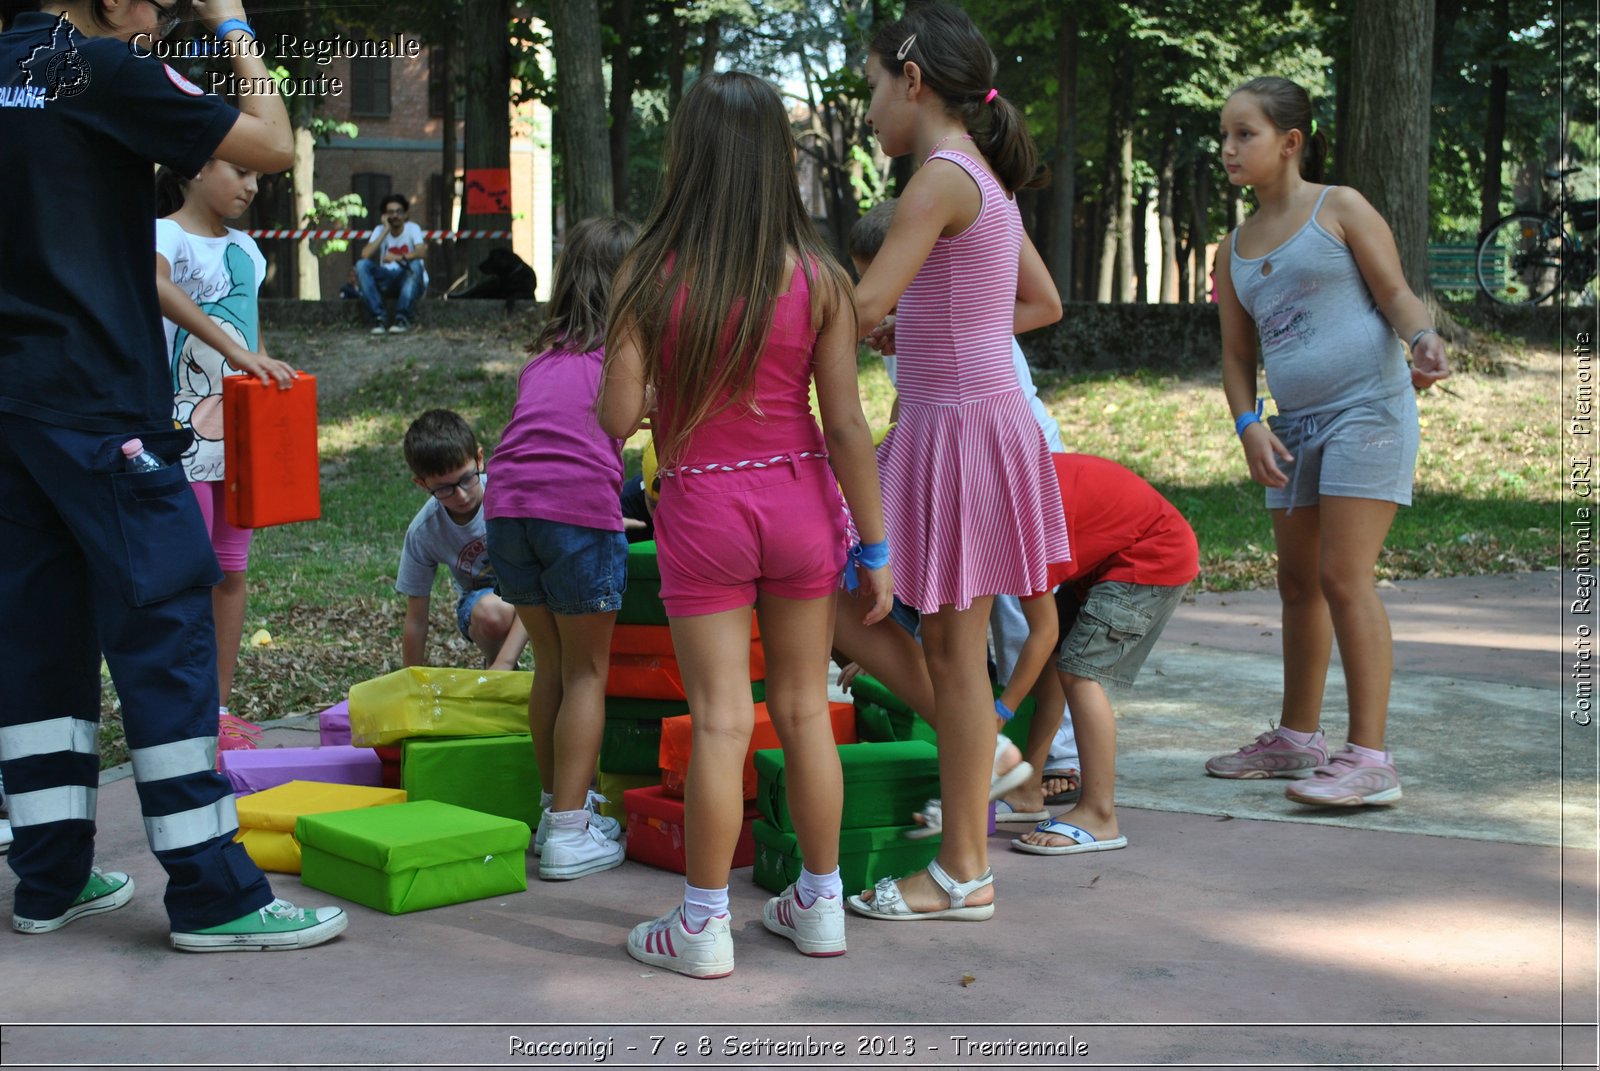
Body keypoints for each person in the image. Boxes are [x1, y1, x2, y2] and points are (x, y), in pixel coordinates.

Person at [0, 0, 344, 951]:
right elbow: (272, 142)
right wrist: (231, 21)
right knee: (166, 635)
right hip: (103, 406)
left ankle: (49, 880)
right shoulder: (102, 67)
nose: (161, 17)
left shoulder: (10, 63)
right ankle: (213, 895)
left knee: (37, 646)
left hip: (15, 412)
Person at [601, 71, 893, 978]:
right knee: (808, 710)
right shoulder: (820, 276)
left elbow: (615, 421)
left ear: (686, 153)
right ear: (777, 158)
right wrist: (876, 548)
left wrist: (648, 384)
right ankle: (820, 902)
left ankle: (702, 924)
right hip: (804, 501)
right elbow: (846, 424)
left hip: (704, 506)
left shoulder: (648, 272)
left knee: (722, 719)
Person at [847, 1, 1068, 923]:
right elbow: (1042, 300)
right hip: (967, 418)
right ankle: (977, 818)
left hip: (961, 427)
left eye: (868, 88)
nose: (864, 112)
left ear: (911, 81)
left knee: (948, 645)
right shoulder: (980, 173)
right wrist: (942, 326)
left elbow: (856, 311)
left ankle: (963, 870)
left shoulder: (936, 179)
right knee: (943, 644)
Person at [1206, 76, 1450, 806]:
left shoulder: (1337, 207)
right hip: (1293, 427)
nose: (1228, 148)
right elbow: (1235, 357)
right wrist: (1249, 423)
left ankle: (1371, 758)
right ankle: (1297, 738)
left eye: (1243, 134)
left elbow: (1396, 291)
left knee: (1344, 576)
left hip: (1367, 412)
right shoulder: (1233, 249)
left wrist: (1424, 336)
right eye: (1223, 135)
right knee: (1297, 584)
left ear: (1290, 141)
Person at [840, 198, 1058, 826]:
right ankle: (992, 768)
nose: (873, 294)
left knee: (1010, 628)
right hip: (950, 460)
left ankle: (1032, 759)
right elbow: (906, 409)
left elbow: (1040, 311)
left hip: (992, 462)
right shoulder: (910, 326)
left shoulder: (955, 312)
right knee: (953, 639)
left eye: (879, 279)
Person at [484, 216, 637, 881]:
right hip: (576, 514)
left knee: (551, 664)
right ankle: (574, 833)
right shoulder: (624, 357)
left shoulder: (542, 359)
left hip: (509, 508)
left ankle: (555, 812)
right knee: (586, 673)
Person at [153, 159, 296, 754]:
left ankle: (217, 710)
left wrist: (265, 373)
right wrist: (237, 352)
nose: (251, 187)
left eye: (258, 178)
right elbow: (154, 287)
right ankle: (177, 715)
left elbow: (250, 336)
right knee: (187, 577)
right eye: (239, 171)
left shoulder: (247, 250)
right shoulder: (162, 234)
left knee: (230, 571)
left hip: (235, 443)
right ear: (192, 169)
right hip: (175, 437)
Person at [1011, 453, 1199, 855]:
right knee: (1054, 660)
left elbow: (1041, 633)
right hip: (1111, 558)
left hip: (1150, 555)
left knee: (1079, 672)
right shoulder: (997, 493)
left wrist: (1000, 712)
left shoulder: (1020, 525)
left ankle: (1099, 813)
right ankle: (1027, 788)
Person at [397, 410, 527, 671]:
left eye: (467, 479)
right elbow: (416, 620)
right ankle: (500, 668)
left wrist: (505, 661)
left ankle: (507, 667)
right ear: (422, 483)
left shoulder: (512, 497)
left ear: (479, 459)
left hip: (536, 590)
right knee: (493, 613)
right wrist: (410, 682)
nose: (461, 495)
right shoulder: (424, 531)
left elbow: (541, 581)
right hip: (486, 601)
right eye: (444, 488)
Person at [357, 193, 428, 334]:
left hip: (411, 280)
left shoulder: (413, 228)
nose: (395, 215)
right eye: (390, 212)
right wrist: (385, 231)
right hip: (388, 280)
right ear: (384, 215)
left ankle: (402, 318)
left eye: (399, 211)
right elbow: (365, 254)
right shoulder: (380, 230)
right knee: (362, 265)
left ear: (405, 215)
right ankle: (379, 317)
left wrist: (396, 257)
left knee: (415, 265)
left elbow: (421, 252)